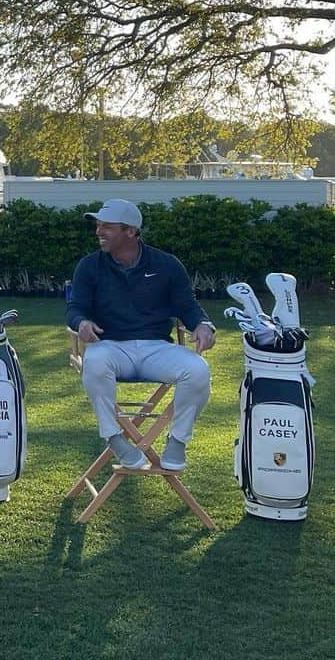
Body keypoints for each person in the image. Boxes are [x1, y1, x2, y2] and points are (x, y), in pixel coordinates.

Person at [66, 199, 216, 472]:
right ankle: (115, 439)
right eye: (98, 226)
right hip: (109, 346)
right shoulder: (89, 266)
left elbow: (188, 308)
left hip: (156, 348)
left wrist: (204, 325)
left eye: (107, 227)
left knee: (198, 370)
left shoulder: (167, 264)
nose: (99, 232)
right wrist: (82, 323)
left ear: (131, 231)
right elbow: (75, 308)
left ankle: (177, 441)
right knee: (95, 362)